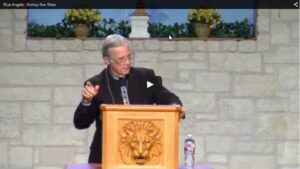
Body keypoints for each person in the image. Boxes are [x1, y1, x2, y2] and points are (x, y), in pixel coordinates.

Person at [73, 34, 184, 164]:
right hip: (105, 157)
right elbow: (80, 123)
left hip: (144, 157)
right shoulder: (96, 85)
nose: (127, 63)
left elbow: (166, 96)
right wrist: (87, 101)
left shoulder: (146, 79)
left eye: (129, 57)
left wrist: (175, 105)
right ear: (107, 60)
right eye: (121, 59)